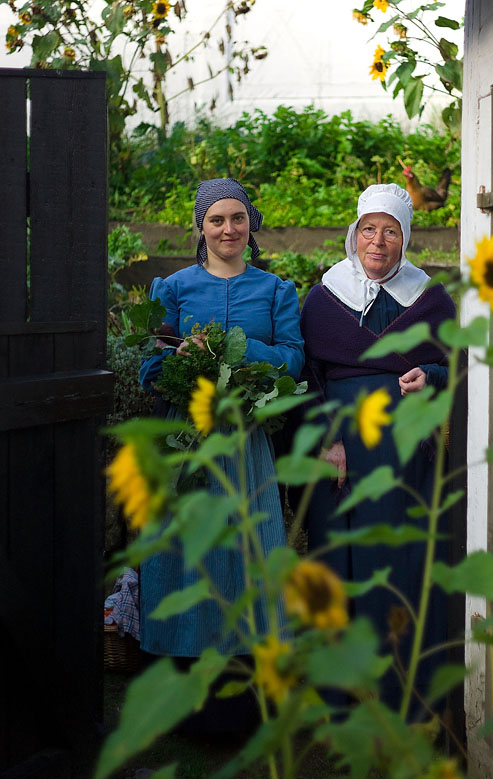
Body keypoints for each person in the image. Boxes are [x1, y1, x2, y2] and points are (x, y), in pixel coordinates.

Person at [138, 178, 305, 730]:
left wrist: (234, 346)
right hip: (187, 439)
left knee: (246, 551)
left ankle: (248, 703)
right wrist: (180, 356)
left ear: (251, 224)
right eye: (217, 220)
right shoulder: (174, 288)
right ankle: (184, 701)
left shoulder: (276, 291)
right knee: (182, 555)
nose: (228, 229)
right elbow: (149, 368)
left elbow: (293, 363)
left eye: (238, 218)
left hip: (243, 439)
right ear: (200, 228)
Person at [300, 183, 456, 715]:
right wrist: (328, 439)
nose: (378, 241)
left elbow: (457, 368)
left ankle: (405, 696)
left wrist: (430, 375)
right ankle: (340, 700)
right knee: (339, 563)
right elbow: (308, 375)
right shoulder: (323, 298)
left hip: (402, 449)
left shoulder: (430, 299)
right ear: (354, 234)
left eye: (390, 231)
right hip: (340, 450)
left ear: (405, 239)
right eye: (369, 228)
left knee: (400, 561)